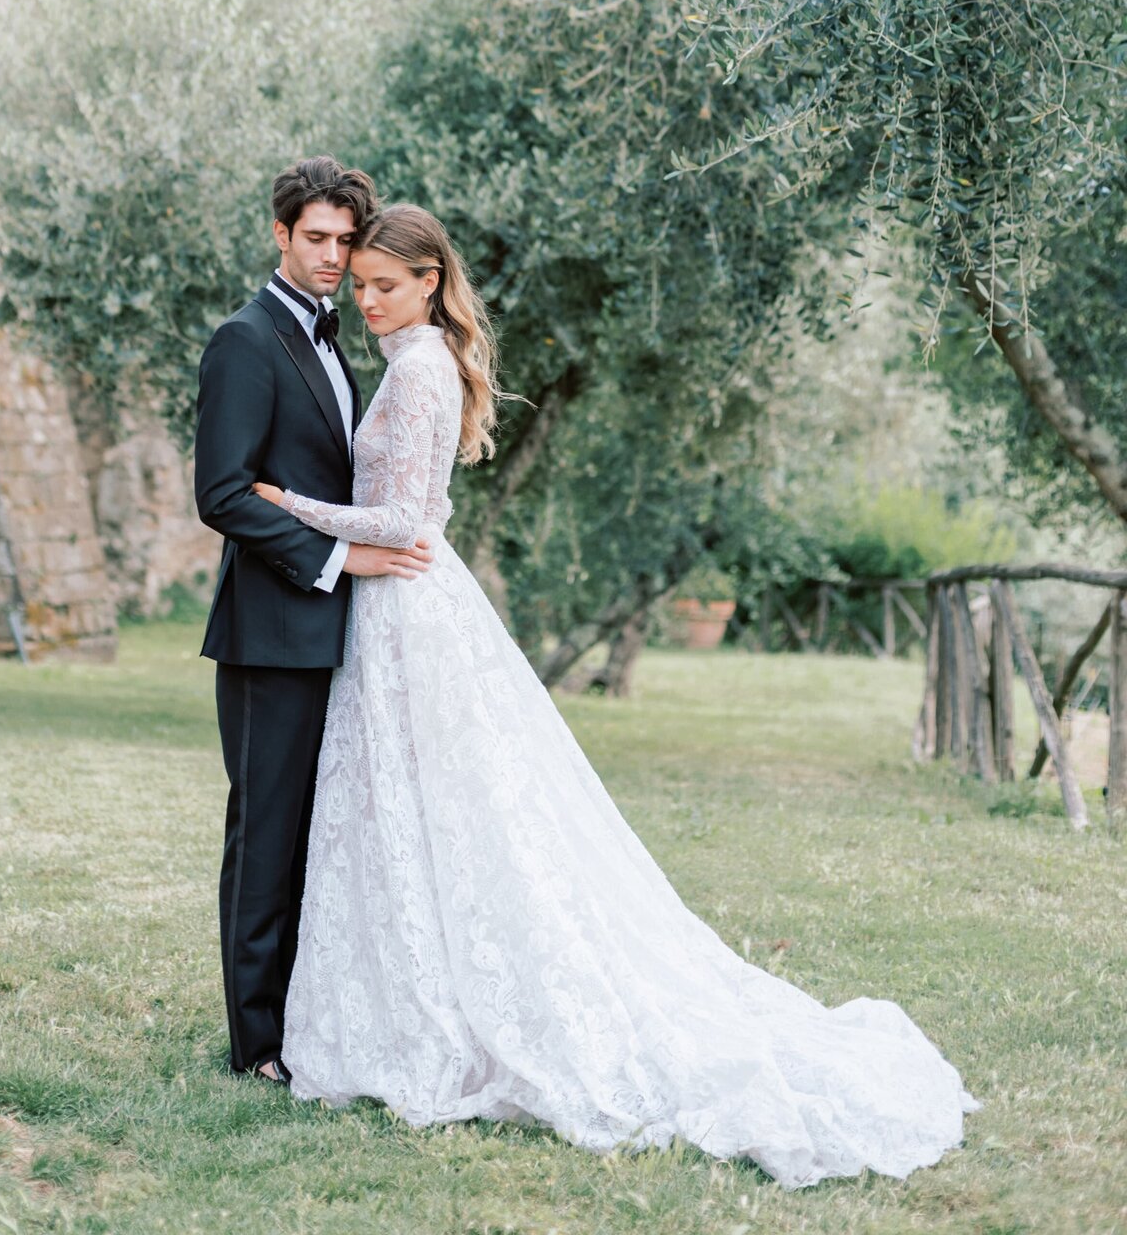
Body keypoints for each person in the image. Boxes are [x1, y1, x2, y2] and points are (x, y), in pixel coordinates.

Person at [250, 203, 978, 1188]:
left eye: (385, 285)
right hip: (395, 609)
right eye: (362, 285)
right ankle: (411, 1000)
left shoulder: (419, 367)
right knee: (409, 809)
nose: (367, 300)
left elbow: (410, 518)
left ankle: (438, 1016)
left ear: (429, 282)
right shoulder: (413, 360)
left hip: (407, 609)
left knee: (440, 809)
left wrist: (290, 506)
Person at [194, 158, 432, 1085]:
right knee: (266, 837)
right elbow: (222, 493)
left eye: (345, 241)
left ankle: (310, 1026)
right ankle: (257, 1048)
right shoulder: (245, 341)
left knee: (317, 837)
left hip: (334, 631)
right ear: (281, 234)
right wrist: (339, 557)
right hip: (269, 631)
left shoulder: (340, 341)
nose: (332, 257)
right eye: (316, 238)